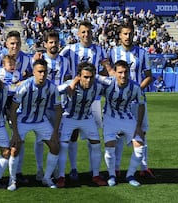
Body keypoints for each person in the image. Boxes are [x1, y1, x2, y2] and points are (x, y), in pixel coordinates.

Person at [59, 20, 110, 181]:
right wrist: (71, 82)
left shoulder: (99, 50)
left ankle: (94, 171)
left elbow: (107, 69)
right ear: (78, 33)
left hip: (93, 99)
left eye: (88, 31)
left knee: (93, 136)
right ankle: (73, 168)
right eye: (83, 32)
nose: (86, 34)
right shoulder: (70, 49)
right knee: (72, 135)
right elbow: (55, 59)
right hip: (74, 96)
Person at [0, 30, 33, 185]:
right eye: (12, 43)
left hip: (17, 104)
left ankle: (17, 172)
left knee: (19, 137)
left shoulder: (26, 59)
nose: (15, 46)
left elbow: (30, 76)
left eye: (18, 43)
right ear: (6, 44)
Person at [108, 22, 154, 178]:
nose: (128, 37)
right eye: (125, 33)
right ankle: (116, 168)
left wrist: (137, 91)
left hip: (137, 101)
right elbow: (109, 74)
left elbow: (149, 76)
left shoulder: (142, 53)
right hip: (118, 102)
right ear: (120, 35)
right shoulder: (113, 53)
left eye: (130, 33)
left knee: (142, 132)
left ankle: (144, 167)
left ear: (134, 34)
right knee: (118, 134)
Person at [7, 59, 62, 191]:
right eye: (40, 72)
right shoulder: (25, 86)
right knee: (15, 147)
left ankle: (47, 178)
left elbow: (58, 109)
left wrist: (55, 132)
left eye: (44, 72)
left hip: (40, 120)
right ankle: (12, 180)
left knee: (55, 147)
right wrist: (15, 133)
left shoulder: (52, 87)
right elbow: (13, 109)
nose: (42, 75)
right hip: (23, 120)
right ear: (34, 72)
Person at [56, 62, 107, 188]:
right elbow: (55, 91)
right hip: (69, 117)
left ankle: (95, 175)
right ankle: (61, 176)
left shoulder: (98, 86)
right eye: (85, 77)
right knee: (63, 146)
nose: (88, 80)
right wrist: (72, 83)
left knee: (96, 144)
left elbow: (113, 85)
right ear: (79, 76)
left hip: (86, 118)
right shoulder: (70, 84)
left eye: (91, 77)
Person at [99, 60, 146, 187]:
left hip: (127, 117)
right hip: (110, 118)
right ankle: (112, 175)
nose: (123, 75)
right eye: (120, 72)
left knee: (140, 146)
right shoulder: (108, 83)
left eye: (126, 72)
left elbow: (141, 105)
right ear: (115, 73)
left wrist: (138, 126)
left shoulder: (135, 87)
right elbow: (92, 76)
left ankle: (130, 175)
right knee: (110, 147)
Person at [32, 29, 71, 181]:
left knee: (57, 138)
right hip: (41, 105)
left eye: (56, 42)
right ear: (45, 44)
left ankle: (54, 169)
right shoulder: (39, 60)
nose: (54, 45)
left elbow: (67, 79)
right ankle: (39, 169)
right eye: (50, 42)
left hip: (58, 105)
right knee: (39, 139)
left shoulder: (65, 61)